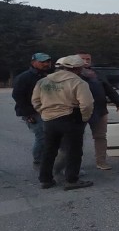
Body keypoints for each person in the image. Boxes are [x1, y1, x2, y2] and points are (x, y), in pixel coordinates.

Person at [32, 55, 95, 190]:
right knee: (73, 151)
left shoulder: (43, 81)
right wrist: (84, 118)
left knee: (49, 150)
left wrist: (44, 113)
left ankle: (45, 180)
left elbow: (35, 101)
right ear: (77, 69)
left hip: (49, 120)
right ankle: (71, 180)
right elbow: (87, 104)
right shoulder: (78, 82)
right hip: (71, 118)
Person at [77, 52, 119, 170]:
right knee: (76, 138)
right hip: (78, 111)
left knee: (100, 136)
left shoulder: (97, 73)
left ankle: (101, 161)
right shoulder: (70, 74)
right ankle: (74, 164)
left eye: (88, 58)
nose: (86, 61)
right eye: (82, 59)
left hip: (99, 110)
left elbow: (109, 89)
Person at [12, 52, 53, 166]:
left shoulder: (49, 76)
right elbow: (18, 96)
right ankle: (39, 159)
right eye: (42, 62)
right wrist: (28, 114)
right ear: (33, 62)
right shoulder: (24, 77)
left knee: (49, 135)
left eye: (48, 61)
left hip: (47, 110)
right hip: (33, 112)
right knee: (41, 135)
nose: (46, 64)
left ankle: (46, 157)